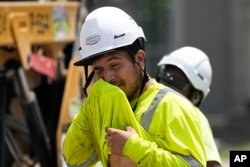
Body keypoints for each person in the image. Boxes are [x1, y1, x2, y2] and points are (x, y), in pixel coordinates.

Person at [63, 7, 206, 167]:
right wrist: (89, 108)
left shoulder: (173, 107)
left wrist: (134, 147)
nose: (108, 77)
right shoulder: (107, 105)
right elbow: (75, 160)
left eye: (115, 65)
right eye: (99, 70)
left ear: (139, 59)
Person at [156, 46, 222, 167]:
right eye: (165, 77)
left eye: (177, 82)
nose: (166, 85)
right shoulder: (147, 107)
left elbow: (212, 164)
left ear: (195, 96)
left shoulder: (195, 117)